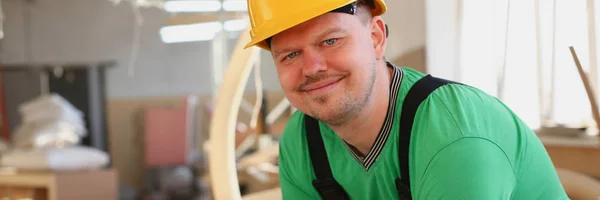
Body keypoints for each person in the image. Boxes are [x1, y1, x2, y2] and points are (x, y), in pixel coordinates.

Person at [243, 0, 569, 199]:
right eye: (290, 55)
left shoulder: (452, 138)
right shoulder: (302, 140)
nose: (312, 68)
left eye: (330, 41)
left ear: (375, 38)